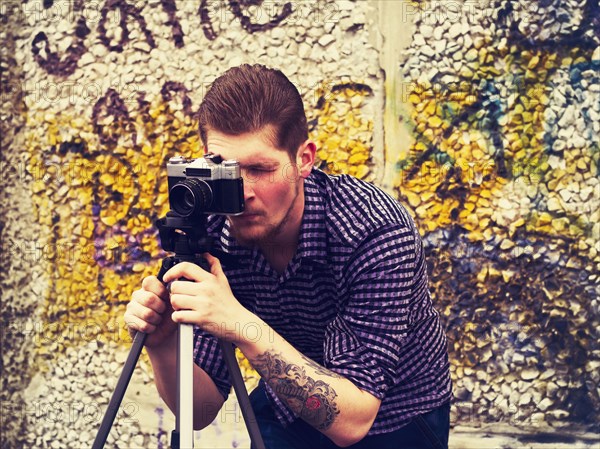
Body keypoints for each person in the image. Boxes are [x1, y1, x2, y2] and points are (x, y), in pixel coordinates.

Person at [124, 64, 452, 449]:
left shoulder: (373, 228)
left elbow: (353, 420)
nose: (241, 192)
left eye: (260, 169)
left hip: (396, 416)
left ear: (304, 159)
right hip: (288, 406)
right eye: (226, 169)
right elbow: (199, 412)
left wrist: (239, 323)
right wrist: (163, 345)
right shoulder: (212, 229)